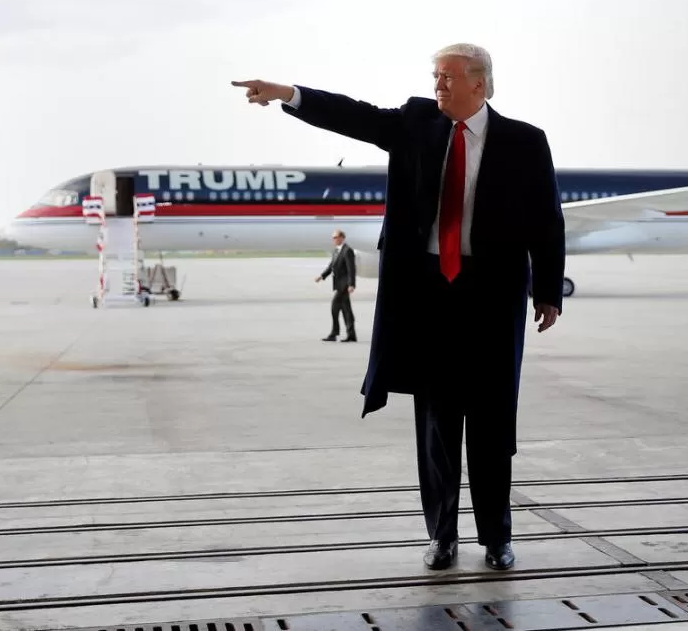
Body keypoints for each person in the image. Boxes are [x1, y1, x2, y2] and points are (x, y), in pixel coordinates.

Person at [232, 42, 565, 571]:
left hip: (492, 296)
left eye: (447, 77)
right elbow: (353, 116)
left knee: (491, 422)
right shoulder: (415, 123)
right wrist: (287, 95)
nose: (437, 84)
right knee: (435, 425)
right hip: (428, 291)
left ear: (479, 83)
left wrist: (547, 291)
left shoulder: (525, 141)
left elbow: (547, 219)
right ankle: (441, 536)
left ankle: (497, 537)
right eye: (435, 75)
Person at [315, 229, 356, 342]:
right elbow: (331, 266)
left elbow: (351, 269)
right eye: (333, 237)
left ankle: (334, 333)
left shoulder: (347, 251)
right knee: (347, 310)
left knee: (334, 307)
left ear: (342, 238)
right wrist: (322, 276)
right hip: (338, 285)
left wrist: (351, 284)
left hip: (344, 285)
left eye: (336, 237)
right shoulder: (336, 251)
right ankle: (351, 335)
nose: (334, 239)